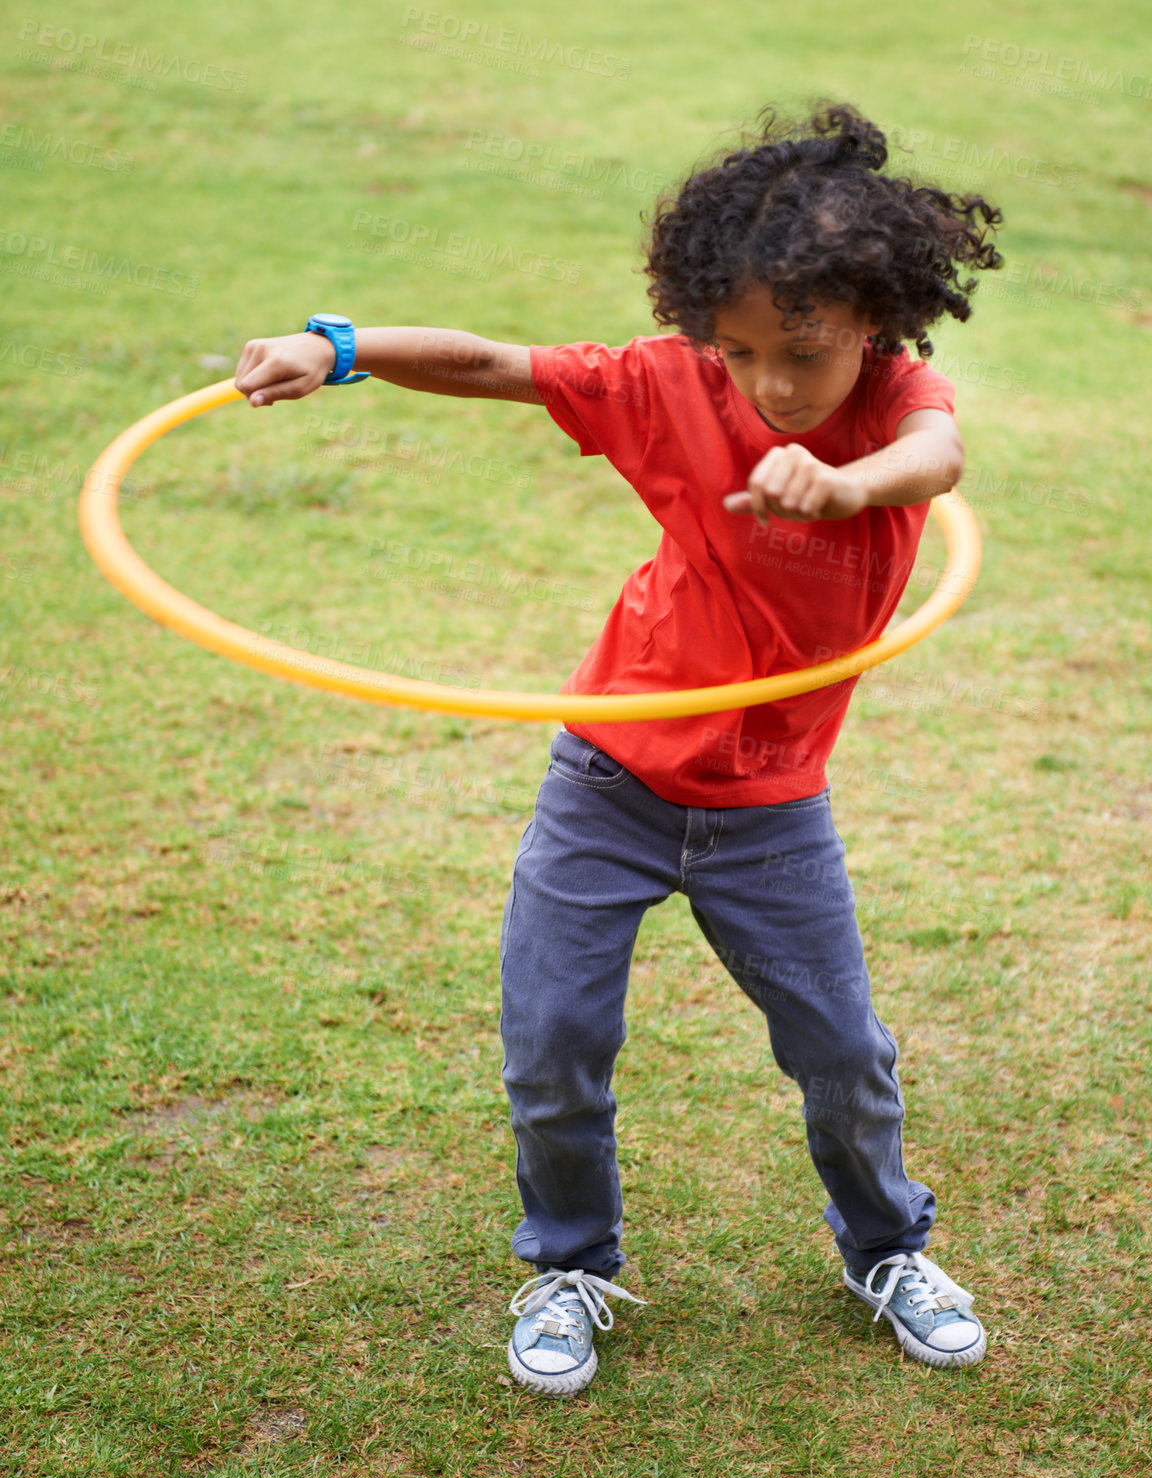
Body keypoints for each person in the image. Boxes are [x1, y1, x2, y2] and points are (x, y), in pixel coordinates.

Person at [234, 101, 1004, 1397]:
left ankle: (887, 1245)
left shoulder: (891, 408)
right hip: (614, 775)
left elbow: (942, 451)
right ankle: (571, 1262)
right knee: (551, 1036)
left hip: (772, 805)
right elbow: (496, 364)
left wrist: (847, 479)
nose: (766, 384)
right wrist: (339, 344)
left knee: (842, 1052)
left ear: (872, 318)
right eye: (738, 345)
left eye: (800, 353)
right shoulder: (673, 388)